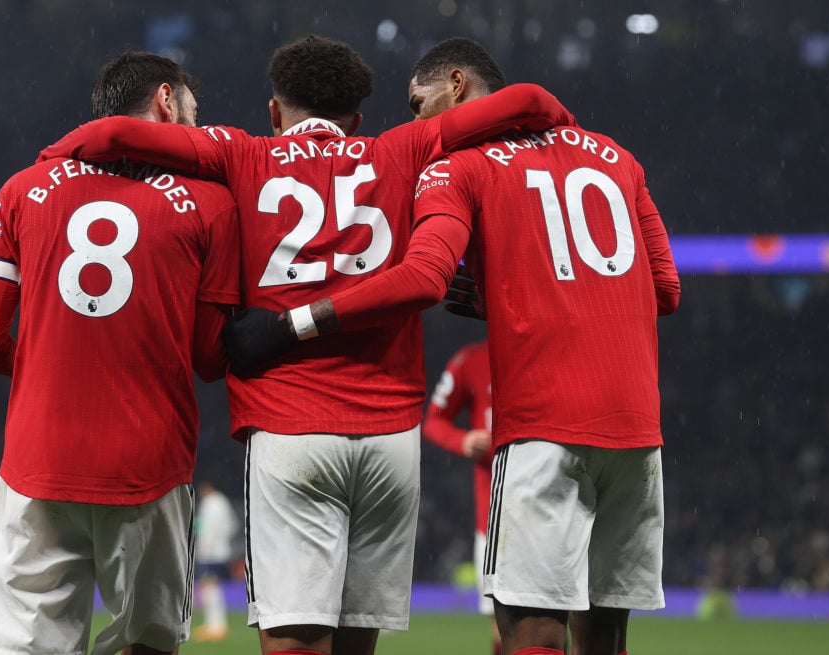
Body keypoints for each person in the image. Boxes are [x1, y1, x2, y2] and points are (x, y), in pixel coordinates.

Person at [39, 34, 573, 655]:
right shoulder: (402, 147)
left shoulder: (240, 153)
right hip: (389, 437)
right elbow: (528, 98)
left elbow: (116, 137)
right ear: (357, 118)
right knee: (355, 645)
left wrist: (57, 152)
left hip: (290, 424)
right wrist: (554, 116)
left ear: (274, 110)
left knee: (294, 642)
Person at [224, 38, 681, 655]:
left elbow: (422, 278)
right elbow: (665, 289)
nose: (416, 122)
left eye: (418, 105)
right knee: (606, 636)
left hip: (540, 424)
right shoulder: (618, 159)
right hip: (636, 431)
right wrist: (533, 294)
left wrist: (289, 325)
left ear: (457, 86)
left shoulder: (457, 166)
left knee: (530, 632)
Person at [0, 51, 240, 655]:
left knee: (16, 644)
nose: (199, 131)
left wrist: (55, 368)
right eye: (194, 114)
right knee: (148, 641)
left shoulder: (22, 189)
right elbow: (211, 357)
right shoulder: (211, 203)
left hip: (39, 456)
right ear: (166, 100)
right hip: (149, 460)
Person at [422, 339, 500, 654]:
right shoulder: (472, 361)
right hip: (493, 518)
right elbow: (434, 421)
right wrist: (463, 440)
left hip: (555, 508)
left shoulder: (549, 350)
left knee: (557, 618)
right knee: (503, 623)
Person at [192, 481, 239, 642]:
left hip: (210, 552)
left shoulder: (209, 504)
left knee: (209, 588)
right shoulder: (223, 502)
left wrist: (203, 547)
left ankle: (215, 626)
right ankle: (215, 625)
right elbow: (233, 525)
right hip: (223, 551)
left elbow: (205, 528)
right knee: (213, 587)